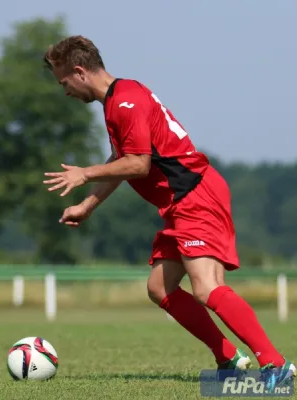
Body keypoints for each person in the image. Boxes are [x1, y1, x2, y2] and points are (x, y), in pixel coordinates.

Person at [42, 35, 295, 390]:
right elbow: (123, 161)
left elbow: (139, 164)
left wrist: (84, 173)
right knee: (160, 288)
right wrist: (89, 204)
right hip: (181, 204)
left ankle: (276, 364)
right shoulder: (119, 99)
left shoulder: (125, 101)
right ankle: (229, 359)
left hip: (196, 196)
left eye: (63, 81)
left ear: (79, 71)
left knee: (207, 288)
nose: (64, 89)